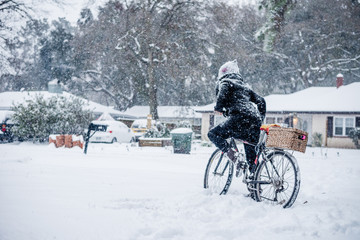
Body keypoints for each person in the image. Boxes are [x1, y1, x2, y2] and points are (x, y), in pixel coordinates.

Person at [208, 60, 266, 174]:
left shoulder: (226, 81)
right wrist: (260, 119)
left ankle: (235, 157)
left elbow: (223, 91)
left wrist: (219, 107)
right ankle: (255, 187)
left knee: (213, 134)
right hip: (255, 122)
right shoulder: (245, 87)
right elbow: (261, 102)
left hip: (239, 119)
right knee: (251, 158)